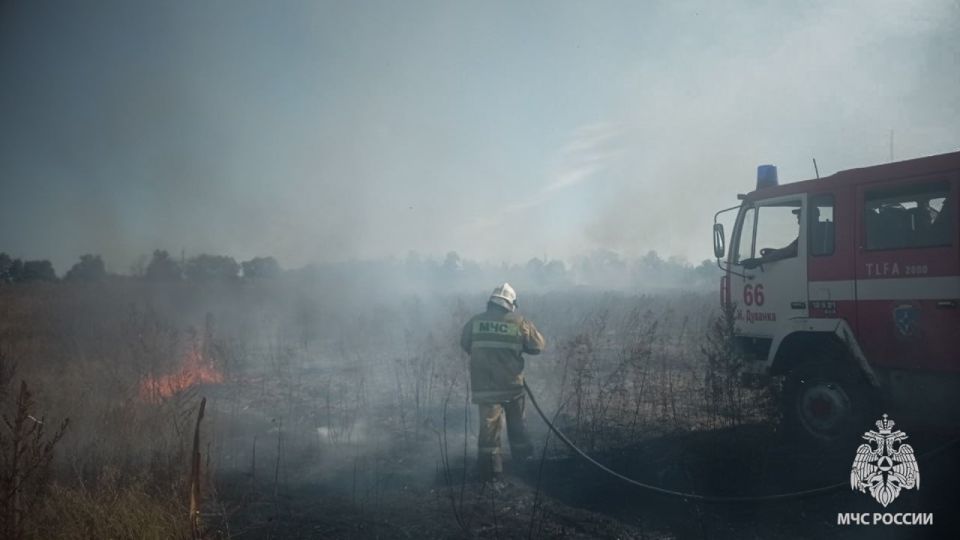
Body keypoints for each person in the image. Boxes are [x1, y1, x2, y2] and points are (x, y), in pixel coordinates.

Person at [460, 283, 546, 482]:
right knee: (518, 426)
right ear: (511, 303)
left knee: (489, 431)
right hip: (512, 385)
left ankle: (491, 473)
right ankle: (524, 464)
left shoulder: (475, 322)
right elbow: (537, 346)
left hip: (485, 386)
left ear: (491, 302)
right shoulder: (519, 322)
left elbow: (465, 344)